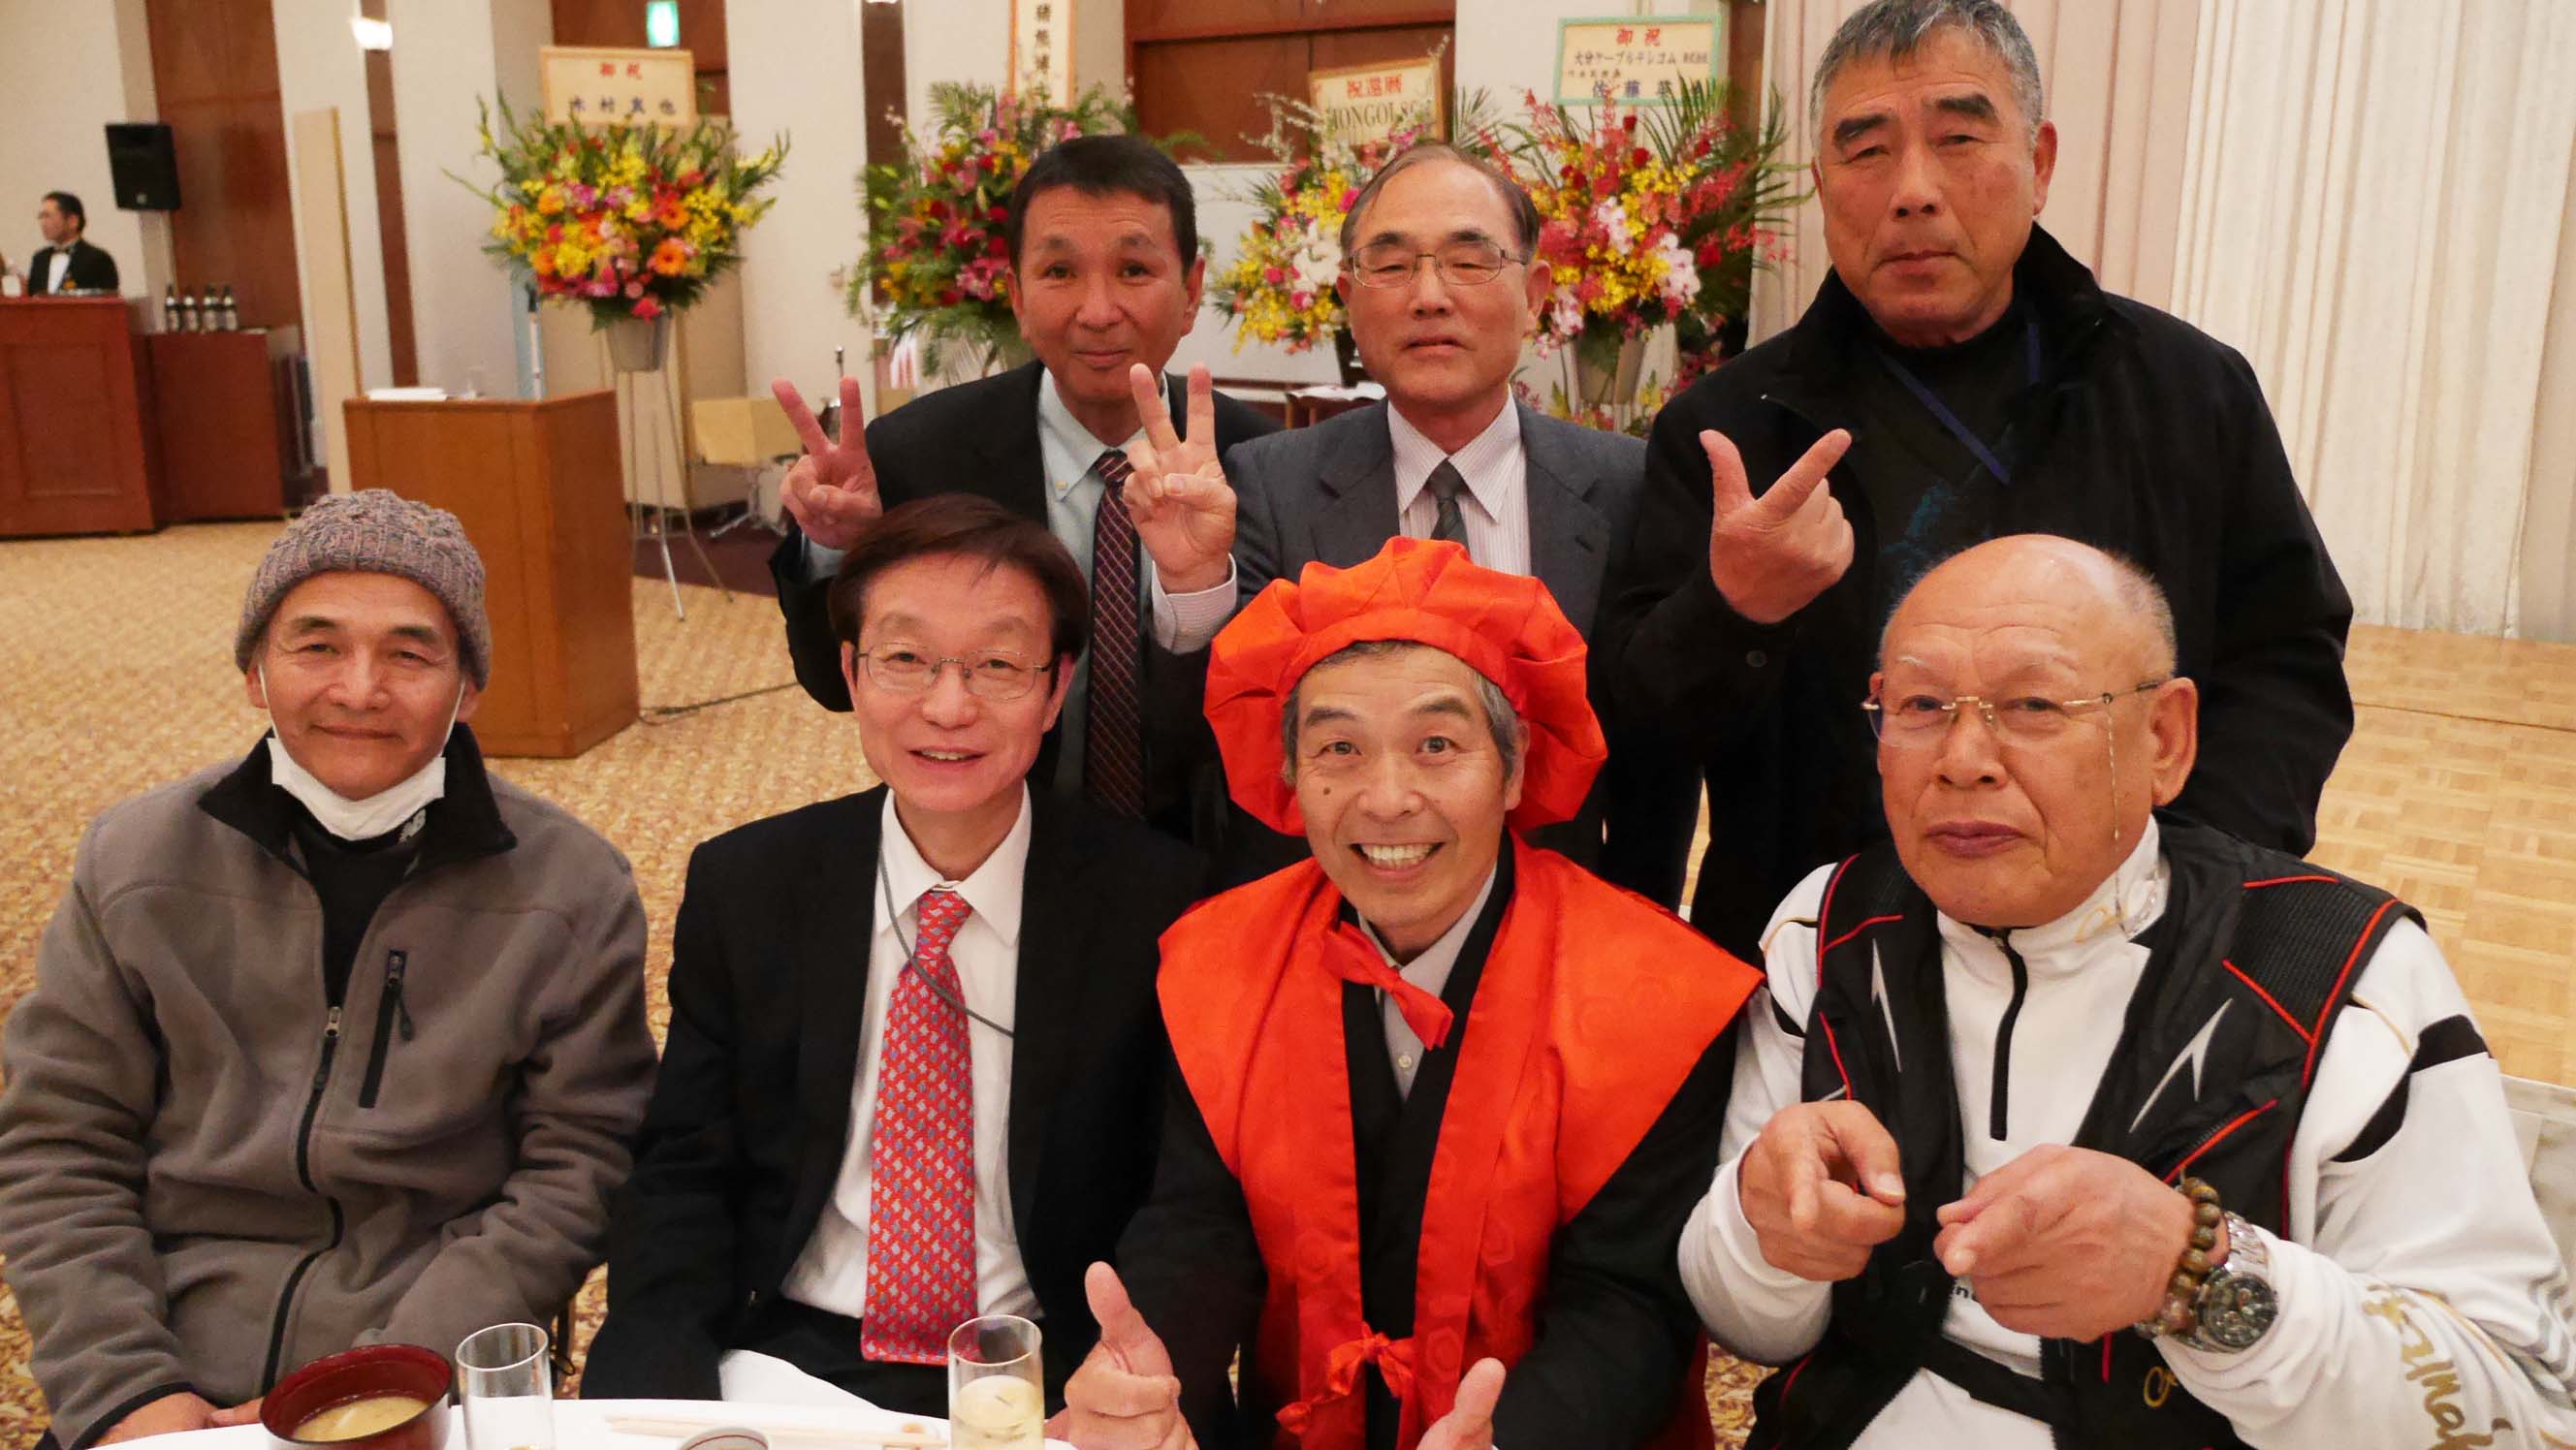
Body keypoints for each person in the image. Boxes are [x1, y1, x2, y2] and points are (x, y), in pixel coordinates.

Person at [1679, 534, 2576, 1448]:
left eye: (2033, 704)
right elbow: (1748, 1328)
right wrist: (1761, 1230)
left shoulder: (2341, 978)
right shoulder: (1829, 928)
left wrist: (2197, 1278)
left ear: (2164, 739)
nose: (1962, 758)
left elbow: (2514, 1413)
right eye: (1920, 705)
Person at [1597, 0, 2355, 959]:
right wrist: (1731, 611)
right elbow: (1639, 733)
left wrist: (2184, 884)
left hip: (2127, 943)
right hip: (1819, 958)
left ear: (2038, 163)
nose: (1912, 191)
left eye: (1957, 139)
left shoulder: (2182, 389)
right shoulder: (1728, 430)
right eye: (1866, 151)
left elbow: (2283, 658)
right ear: (1820, 183)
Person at [1065, 539, 1762, 1450]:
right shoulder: (1218, 958)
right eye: (1339, 748)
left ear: (1514, 768)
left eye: (1436, 746)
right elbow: (1199, 1221)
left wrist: (1510, 1438)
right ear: (1290, 773)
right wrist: (1156, 1374)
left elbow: (1629, 1296)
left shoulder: (1658, 993)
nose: (1386, 798)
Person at [0, 491, 654, 1450]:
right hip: (171, 1354)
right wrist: (125, 1388)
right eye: (317, 646)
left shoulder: (572, 887)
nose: (359, 689)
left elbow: (578, 1166)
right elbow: (60, 1139)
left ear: (469, 687)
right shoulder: (135, 860)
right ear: (254, 672)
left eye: (409, 654)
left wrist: (383, 1381)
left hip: (421, 1360)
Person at [585, 495, 1207, 1415]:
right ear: (850, 670)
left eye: (997, 665)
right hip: (797, 1353)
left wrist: (1129, 1372)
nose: (947, 707)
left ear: (1055, 689)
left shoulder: (1155, 901)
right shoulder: (749, 884)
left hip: (1051, 1362)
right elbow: (685, 1169)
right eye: (905, 660)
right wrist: (656, 1396)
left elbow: (1186, 1195)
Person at [1126, 142, 1703, 900]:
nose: (1429, 296)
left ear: (1534, 294)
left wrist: (1637, 921)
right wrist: (1193, 582)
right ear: (1348, 298)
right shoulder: (1270, 481)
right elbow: (1210, 747)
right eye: (1392, 265)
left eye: (1468, 261)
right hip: (1331, 921)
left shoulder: (1627, 485)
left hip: (1564, 924)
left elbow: (1659, 758)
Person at [766, 134, 1279, 840]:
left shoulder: (1260, 463)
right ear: (1016, 296)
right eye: (1059, 271)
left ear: (1191, 292)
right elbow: (833, 686)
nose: (1097, 311)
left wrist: (1196, 590)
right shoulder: (916, 454)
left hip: (1204, 849)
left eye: (1133, 269)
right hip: (983, 840)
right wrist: (837, 550)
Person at [25, 192, 119, 294]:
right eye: (41, 217)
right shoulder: (39, 258)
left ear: (72, 221)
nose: (43, 222)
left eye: (47, 216)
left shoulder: (98, 259)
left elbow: (108, 299)